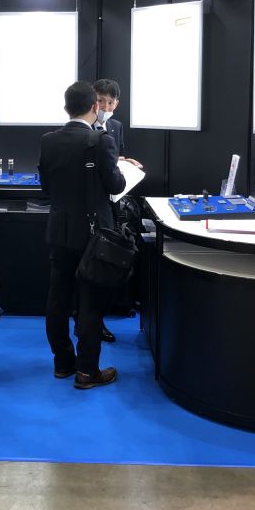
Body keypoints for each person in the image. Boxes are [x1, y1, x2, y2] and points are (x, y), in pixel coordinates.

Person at [38, 81, 126, 389]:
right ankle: (87, 371)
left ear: (66, 108)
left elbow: (46, 188)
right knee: (90, 302)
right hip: (94, 236)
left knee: (58, 299)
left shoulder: (48, 141)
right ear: (95, 107)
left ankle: (63, 363)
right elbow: (116, 185)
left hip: (59, 231)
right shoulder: (101, 141)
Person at [92, 78, 144, 341]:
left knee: (106, 263)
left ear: (117, 104)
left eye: (110, 102)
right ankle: (89, 320)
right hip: (91, 205)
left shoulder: (116, 126)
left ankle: (99, 317)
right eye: (100, 101)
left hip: (113, 203)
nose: (105, 106)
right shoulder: (84, 125)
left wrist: (123, 162)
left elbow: (113, 160)